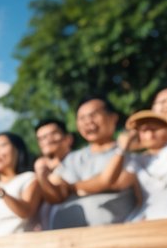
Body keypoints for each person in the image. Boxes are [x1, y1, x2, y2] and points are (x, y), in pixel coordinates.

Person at [37, 98, 136, 229]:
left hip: (111, 237)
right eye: (82, 118)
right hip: (65, 239)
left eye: (93, 115)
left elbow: (115, 181)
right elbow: (57, 195)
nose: (88, 122)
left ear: (113, 117)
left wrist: (71, 187)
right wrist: (42, 176)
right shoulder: (73, 158)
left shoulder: (128, 152)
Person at [99, 110, 167, 221]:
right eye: (143, 130)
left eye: (155, 127)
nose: (149, 133)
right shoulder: (136, 160)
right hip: (150, 221)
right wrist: (122, 148)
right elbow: (111, 182)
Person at [0, 132, 41, 236]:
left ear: (18, 149)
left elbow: (26, 211)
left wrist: (0, 192)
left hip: (24, 246)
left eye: (2, 146)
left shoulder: (29, 178)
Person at [32, 118, 72, 230]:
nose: (48, 140)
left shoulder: (79, 163)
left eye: (53, 134)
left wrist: (42, 176)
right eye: (42, 138)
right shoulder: (34, 174)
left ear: (68, 139)